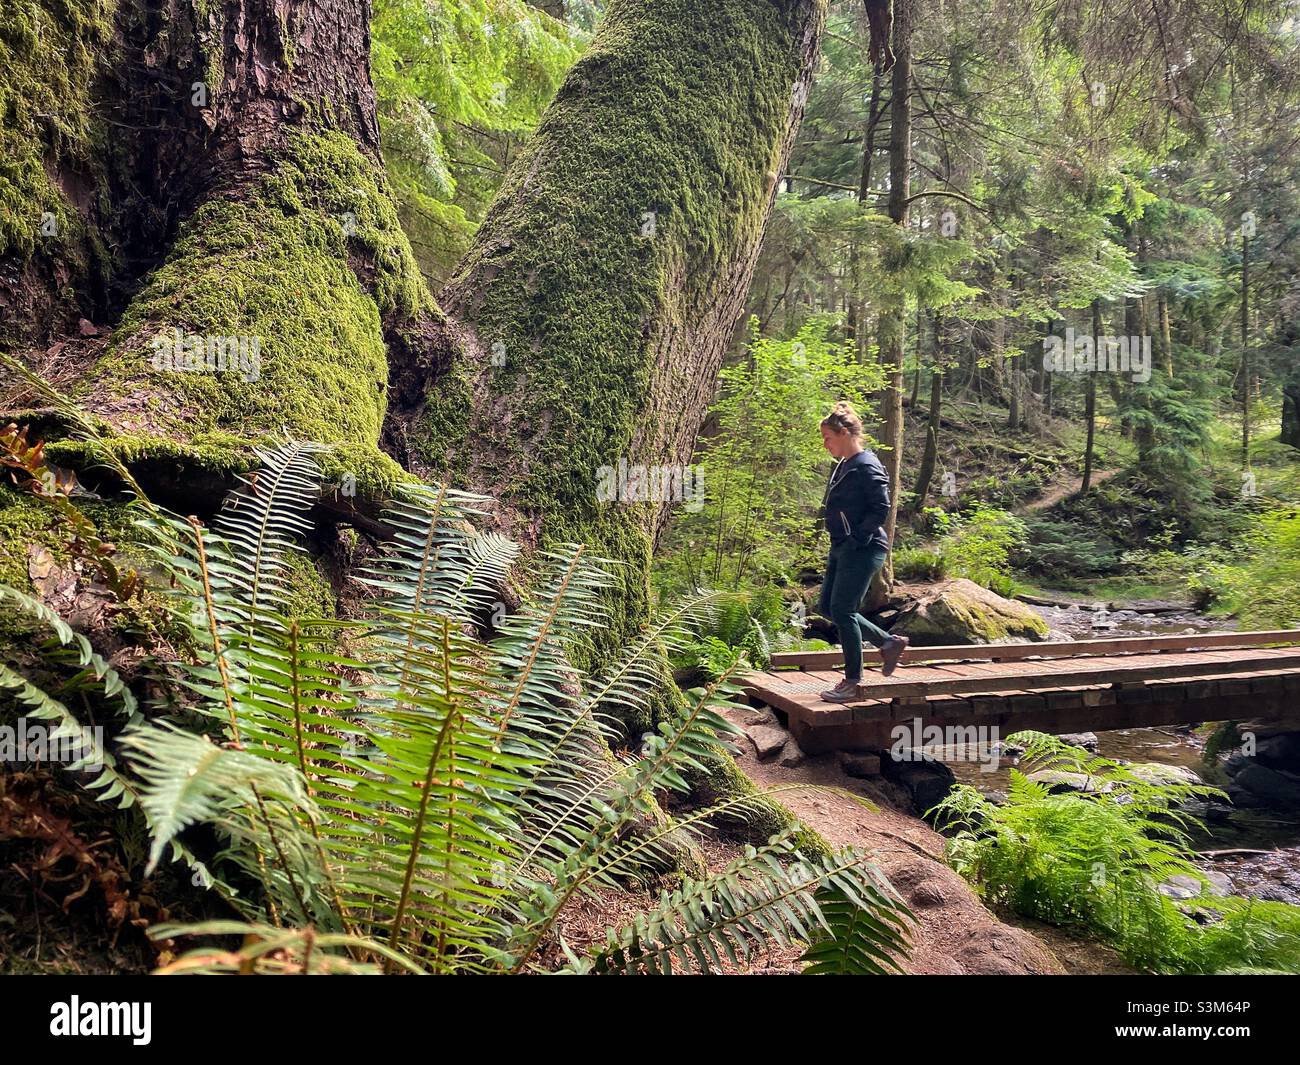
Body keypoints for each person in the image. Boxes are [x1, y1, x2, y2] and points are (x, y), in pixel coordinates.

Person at [816, 402, 909, 702]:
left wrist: (857, 538)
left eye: (828, 437)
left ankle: (853, 682)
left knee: (843, 610)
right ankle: (888, 642)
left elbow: (881, 507)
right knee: (830, 608)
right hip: (842, 546)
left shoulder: (866, 464)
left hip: (863, 548)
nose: (825, 444)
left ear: (844, 433)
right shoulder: (845, 464)